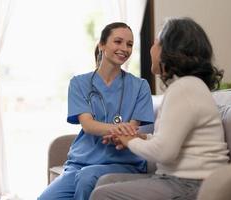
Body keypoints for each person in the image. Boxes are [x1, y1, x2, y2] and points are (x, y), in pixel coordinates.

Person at [89, 17, 229, 200]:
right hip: (180, 179)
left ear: (171, 50)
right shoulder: (186, 86)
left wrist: (129, 140)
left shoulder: (185, 88)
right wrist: (141, 137)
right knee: (106, 181)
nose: (151, 49)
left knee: (102, 194)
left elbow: (164, 152)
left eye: (156, 43)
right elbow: (170, 140)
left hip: (193, 183)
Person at [37, 22, 154, 200]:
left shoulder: (140, 86)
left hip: (123, 162)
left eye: (129, 44)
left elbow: (132, 129)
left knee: (87, 178)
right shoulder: (79, 83)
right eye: (118, 41)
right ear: (102, 45)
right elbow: (88, 124)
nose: (124, 48)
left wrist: (120, 130)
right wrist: (119, 130)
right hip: (80, 162)